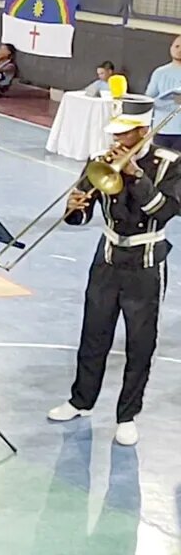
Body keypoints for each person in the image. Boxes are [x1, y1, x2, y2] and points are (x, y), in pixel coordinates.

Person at [47, 89, 180, 446]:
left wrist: (136, 176)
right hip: (106, 260)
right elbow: (80, 216)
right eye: (116, 132)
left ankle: (127, 414)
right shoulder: (99, 160)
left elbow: (164, 211)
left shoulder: (170, 163)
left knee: (140, 342)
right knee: (93, 333)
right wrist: (74, 208)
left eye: (124, 132)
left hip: (145, 264)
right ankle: (81, 400)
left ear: (143, 131)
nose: (116, 138)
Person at [144, 35, 181, 151]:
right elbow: (148, 100)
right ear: (171, 48)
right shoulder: (160, 72)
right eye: (177, 46)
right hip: (161, 129)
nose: (179, 50)